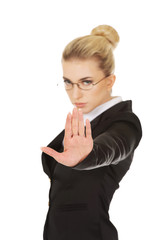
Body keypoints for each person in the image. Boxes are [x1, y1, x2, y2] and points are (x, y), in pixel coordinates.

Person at [40, 25, 142, 240]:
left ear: (109, 81)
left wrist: (88, 155)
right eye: (68, 82)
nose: (75, 94)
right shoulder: (83, 122)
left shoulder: (125, 122)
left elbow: (115, 146)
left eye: (86, 82)